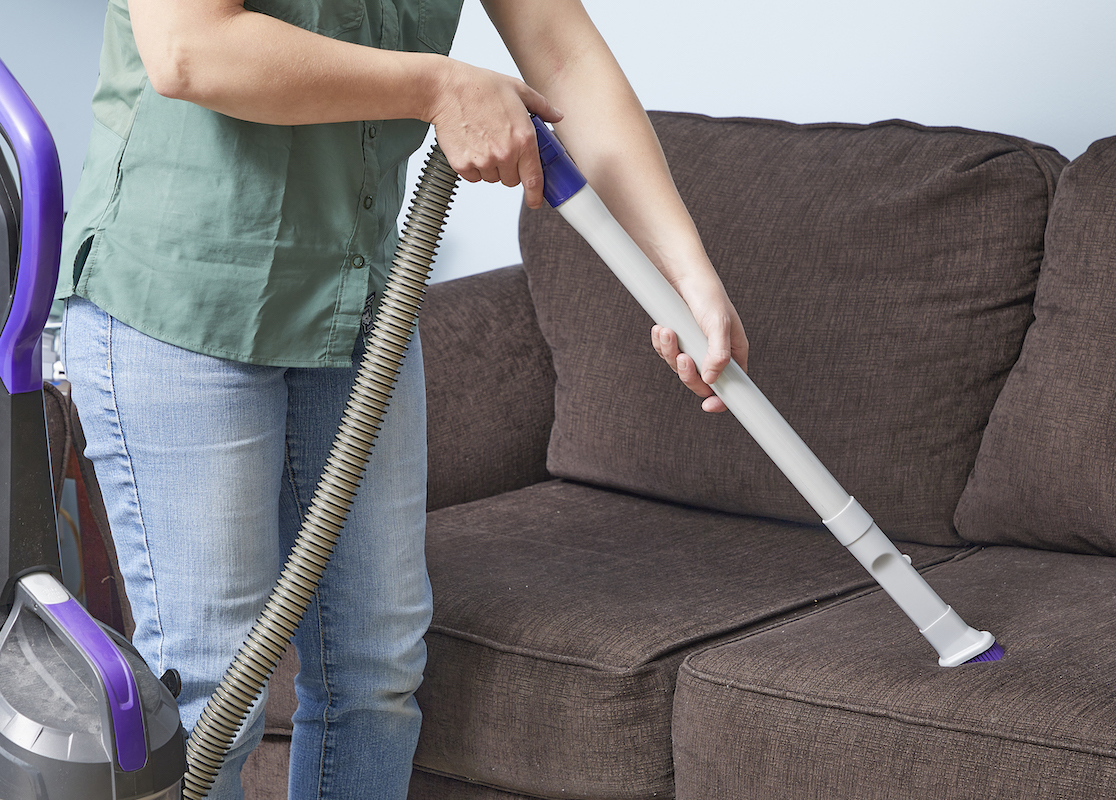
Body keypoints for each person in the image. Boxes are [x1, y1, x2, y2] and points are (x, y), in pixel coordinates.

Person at [56, 0, 749, 797]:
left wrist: (685, 278)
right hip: (184, 293)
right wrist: (437, 87)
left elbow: (562, 57)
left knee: (374, 678)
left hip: (354, 303)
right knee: (217, 686)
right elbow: (189, 49)